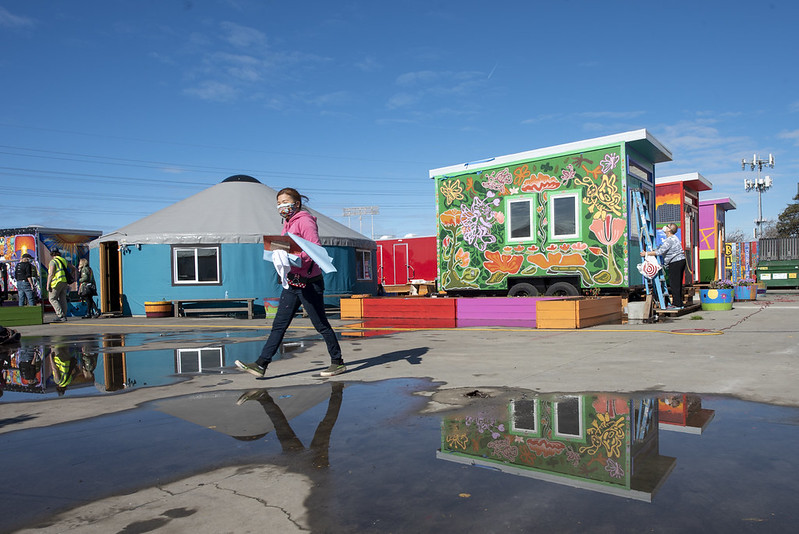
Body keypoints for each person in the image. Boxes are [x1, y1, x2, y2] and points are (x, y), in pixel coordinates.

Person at [236, 188, 346, 378]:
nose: (281, 206)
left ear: (296, 203)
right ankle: (261, 364)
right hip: (292, 282)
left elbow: (314, 248)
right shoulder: (287, 223)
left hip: (310, 282)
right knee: (279, 325)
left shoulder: (305, 221)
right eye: (278, 203)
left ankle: (337, 362)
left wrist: (296, 259)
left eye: (285, 202)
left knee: (320, 324)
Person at [641, 223, 686, 309]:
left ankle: (677, 304)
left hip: (675, 262)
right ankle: (679, 303)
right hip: (680, 261)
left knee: (674, 283)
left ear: (669, 230)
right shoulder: (674, 238)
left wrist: (646, 253)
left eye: (668, 226)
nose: (665, 227)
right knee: (678, 283)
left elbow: (660, 252)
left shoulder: (670, 240)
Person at [46, 249, 70, 322]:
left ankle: (60, 315)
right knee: (63, 299)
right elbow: (73, 268)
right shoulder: (64, 260)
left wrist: (48, 285)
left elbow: (51, 274)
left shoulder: (53, 262)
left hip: (56, 282)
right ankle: (64, 315)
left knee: (52, 298)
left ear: (52, 254)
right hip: (64, 281)